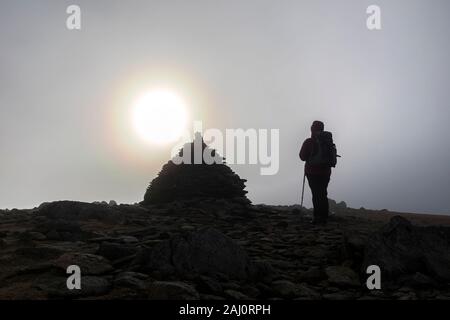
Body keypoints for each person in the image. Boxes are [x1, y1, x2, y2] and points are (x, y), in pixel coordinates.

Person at [299, 121, 332, 225]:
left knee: (316, 194)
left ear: (312, 129)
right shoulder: (327, 141)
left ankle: (318, 218)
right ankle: (324, 217)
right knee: (322, 193)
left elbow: (302, 157)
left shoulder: (309, 142)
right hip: (326, 172)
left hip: (312, 172)